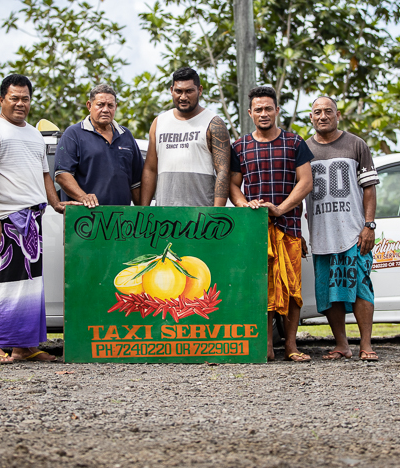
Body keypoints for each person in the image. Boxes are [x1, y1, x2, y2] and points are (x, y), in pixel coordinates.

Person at [0, 74, 76, 364]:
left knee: (29, 285)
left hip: (32, 217)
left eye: (25, 98)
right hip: (3, 218)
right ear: (2, 99)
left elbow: (44, 173)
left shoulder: (33, 134)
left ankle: (23, 347)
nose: (20, 104)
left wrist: (54, 202)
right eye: (14, 98)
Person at [230, 86, 314, 362]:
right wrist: (246, 206)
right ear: (250, 112)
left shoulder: (294, 143)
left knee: (292, 289)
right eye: (258, 109)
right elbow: (233, 186)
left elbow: (306, 182)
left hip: (288, 226)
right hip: (256, 232)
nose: (264, 113)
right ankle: (264, 345)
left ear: (277, 110)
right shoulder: (240, 146)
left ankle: (291, 345)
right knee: (261, 288)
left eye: (269, 108)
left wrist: (280, 209)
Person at [305, 96, 380, 361]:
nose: (322, 116)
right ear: (311, 117)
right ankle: (342, 344)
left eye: (328, 111)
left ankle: (366, 345)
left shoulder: (356, 144)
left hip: (353, 233)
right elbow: (299, 192)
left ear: (338, 115)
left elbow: (369, 189)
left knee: (361, 287)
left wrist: (368, 225)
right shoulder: (303, 150)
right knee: (329, 292)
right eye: (317, 112)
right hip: (322, 233)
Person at [140, 67, 231, 207]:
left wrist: (216, 215)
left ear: (199, 90)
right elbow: (150, 169)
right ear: (171, 90)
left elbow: (223, 172)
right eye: (178, 91)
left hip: (200, 216)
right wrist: (144, 211)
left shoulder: (213, 123)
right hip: (164, 217)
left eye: (189, 91)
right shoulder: (159, 122)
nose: (183, 97)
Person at [54, 84, 144, 207]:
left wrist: (144, 213)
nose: (106, 110)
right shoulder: (73, 134)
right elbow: (62, 175)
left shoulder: (126, 135)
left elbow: (136, 183)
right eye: (100, 105)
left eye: (110, 105)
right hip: (84, 217)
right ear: (89, 106)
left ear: (115, 107)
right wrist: (83, 197)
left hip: (121, 219)